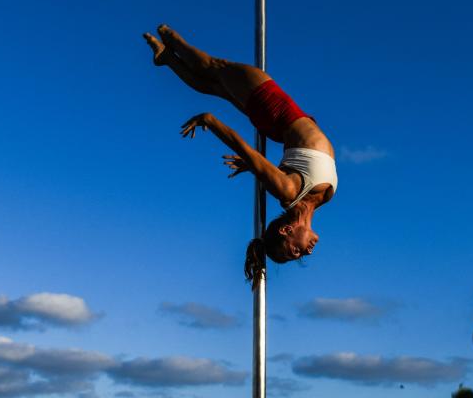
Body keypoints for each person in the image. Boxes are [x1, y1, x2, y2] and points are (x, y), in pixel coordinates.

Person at [143, 24, 337, 283]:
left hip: (277, 112)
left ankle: (174, 41)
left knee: (218, 68)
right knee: (216, 87)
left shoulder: (289, 192)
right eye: (299, 255)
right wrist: (253, 166)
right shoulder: (319, 200)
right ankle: (167, 58)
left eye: (295, 251)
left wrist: (211, 122)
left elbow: (246, 150)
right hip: (278, 123)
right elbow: (266, 165)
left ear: (287, 230)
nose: (306, 252)